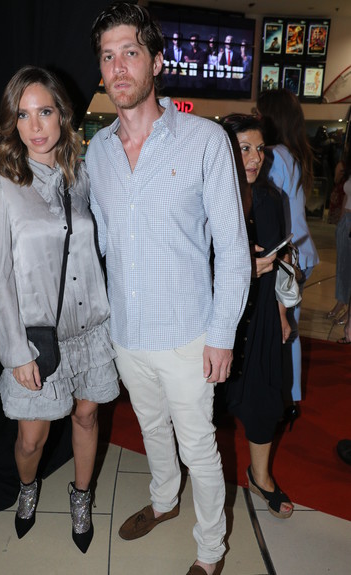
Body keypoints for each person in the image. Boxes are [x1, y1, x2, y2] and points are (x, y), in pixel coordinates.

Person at [87, 4, 251, 575]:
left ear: (157, 61)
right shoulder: (97, 152)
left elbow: (232, 248)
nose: (118, 67)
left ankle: (210, 551)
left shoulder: (205, 140)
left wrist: (222, 335)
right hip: (128, 334)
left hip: (189, 334)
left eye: (130, 52)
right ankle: (162, 500)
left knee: (198, 446)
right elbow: (101, 244)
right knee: (152, 428)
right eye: (108, 56)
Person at [0, 66, 119, 550]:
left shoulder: (83, 176)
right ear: (11, 122)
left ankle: (81, 497)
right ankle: (27, 488)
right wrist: (15, 352)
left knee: (87, 418)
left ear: (62, 115)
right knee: (30, 440)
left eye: (45, 112)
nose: (35, 126)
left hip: (91, 331)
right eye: (23, 115)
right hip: (38, 339)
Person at [220, 113, 294, 519]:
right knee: (206, 403)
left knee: (264, 398)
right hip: (219, 315)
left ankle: (260, 476)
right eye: (244, 148)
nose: (255, 158)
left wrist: (282, 313)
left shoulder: (272, 199)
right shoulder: (208, 195)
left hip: (262, 310)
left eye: (260, 149)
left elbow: (281, 261)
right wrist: (242, 268)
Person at [257, 89, 319, 428]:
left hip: (284, 254)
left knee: (280, 326)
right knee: (289, 325)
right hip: (300, 252)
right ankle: (289, 397)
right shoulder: (294, 154)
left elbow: (269, 211)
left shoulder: (273, 156)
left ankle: (282, 397)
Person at [327, 145, 351, 327]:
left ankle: (349, 313)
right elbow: (346, 196)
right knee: (343, 267)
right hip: (347, 221)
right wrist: (342, 222)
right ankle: (341, 301)